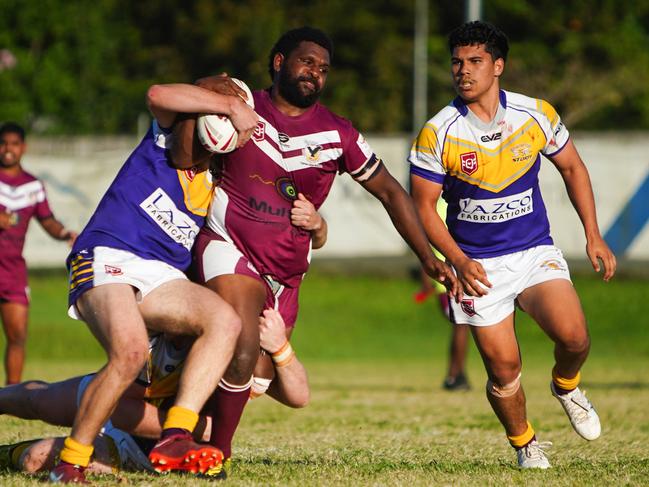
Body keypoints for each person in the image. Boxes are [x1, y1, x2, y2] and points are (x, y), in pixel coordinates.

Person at [171, 26, 460, 477]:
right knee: (242, 342)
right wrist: (205, 95)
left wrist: (426, 258)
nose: (315, 73)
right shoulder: (239, 108)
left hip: (285, 277)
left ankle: (173, 430)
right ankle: (214, 459)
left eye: (323, 69)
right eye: (307, 62)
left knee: (257, 379)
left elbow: (390, 192)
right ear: (279, 62)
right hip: (227, 247)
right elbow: (184, 151)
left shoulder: (337, 133)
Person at [409, 21, 616, 469]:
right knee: (503, 373)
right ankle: (526, 444)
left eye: (475, 62)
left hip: (533, 251)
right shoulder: (438, 132)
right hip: (478, 267)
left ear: (498, 66)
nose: (463, 71)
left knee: (575, 337)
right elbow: (423, 208)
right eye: (457, 62)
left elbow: (573, 169)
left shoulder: (534, 113)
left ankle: (566, 385)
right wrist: (459, 261)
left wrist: (593, 235)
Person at [48, 82, 260, 483]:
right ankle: (69, 463)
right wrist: (229, 104)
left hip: (159, 273)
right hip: (108, 254)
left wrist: (316, 229)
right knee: (128, 354)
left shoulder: (217, 174)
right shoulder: (163, 133)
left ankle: (176, 434)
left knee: (225, 322)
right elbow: (157, 93)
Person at [0, 308, 309, 477]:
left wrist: (280, 347)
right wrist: (193, 430)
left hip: (133, 447)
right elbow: (120, 409)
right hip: (117, 405)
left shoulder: (233, 349)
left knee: (34, 458)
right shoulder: (152, 337)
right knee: (37, 399)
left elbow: (298, 396)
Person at [0, 122, 77, 385]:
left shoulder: (32, 185)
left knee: (18, 335)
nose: (7, 149)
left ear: (23, 147)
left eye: (13, 143)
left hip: (12, 271)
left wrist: (65, 233)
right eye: (3, 143)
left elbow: (47, 220)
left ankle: (9, 397)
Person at [412, 200, 471, 391]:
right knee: (462, 324)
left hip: (451, 278)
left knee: (463, 325)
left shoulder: (436, 205)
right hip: (446, 281)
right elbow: (425, 250)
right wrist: (426, 283)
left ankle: (457, 374)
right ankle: (454, 375)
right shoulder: (439, 207)